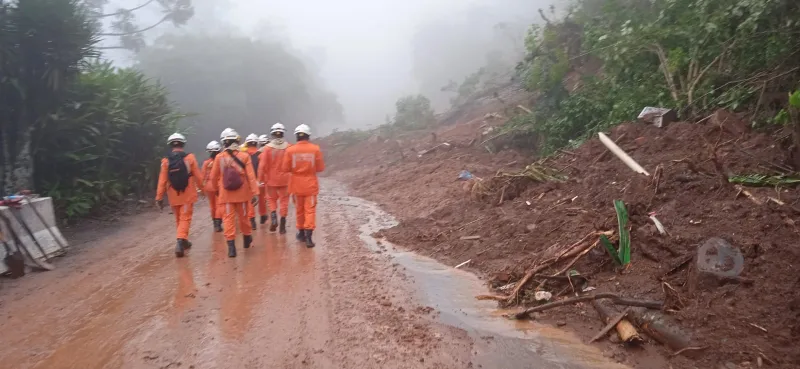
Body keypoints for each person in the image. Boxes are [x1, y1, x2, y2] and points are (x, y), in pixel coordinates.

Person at [210, 128, 259, 257]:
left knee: (228, 220)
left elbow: (213, 177)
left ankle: (231, 248)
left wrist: (216, 190)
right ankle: (247, 239)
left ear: (223, 142)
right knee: (244, 218)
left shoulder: (219, 158)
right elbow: (251, 176)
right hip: (242, 195)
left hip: (225, 195)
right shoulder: (244, 156)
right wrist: (255, 192)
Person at [156, 133, 204, 257]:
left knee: (179, 218)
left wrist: (159, 197)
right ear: (183, 144)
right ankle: (179, 241)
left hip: (173, 194)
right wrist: (203, 189)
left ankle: (184, 241)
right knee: (185, 218)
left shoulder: (165, 161)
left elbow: (162, 180)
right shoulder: (190, 158)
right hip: (187, 193)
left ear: (170, 145)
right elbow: (198, 176)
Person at [281, 124, 325, 247]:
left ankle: (300, 233)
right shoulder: (315, 149)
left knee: (299, 210)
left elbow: (285, 168)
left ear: (296, 136)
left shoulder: (290, 150)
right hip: (310, 185)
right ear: (308, 136)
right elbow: (320, 168)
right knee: (310, 211)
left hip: (295, 185)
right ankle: (309, 237)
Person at [258, 123, 291, 234]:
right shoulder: (289, 147)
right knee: (284, 201)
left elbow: (262, 166)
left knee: (271, 199)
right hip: (286, 180)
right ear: (283, 133)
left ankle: (273, 217)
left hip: (271, 180)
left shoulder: (267, 149)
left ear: (272, 134)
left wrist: (260, 180)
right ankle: (282, 225)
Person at [243, 133, 266, 229]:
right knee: (262, 199)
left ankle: (252, 220)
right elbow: (264, 168)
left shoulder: (243, 155)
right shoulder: (261, 154)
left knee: (250, 201)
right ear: (257, 143)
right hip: (260, 181)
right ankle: (262, 216)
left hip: (248, 182)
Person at [202, 141, 224, 233]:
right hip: (218, 185)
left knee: (212, 205)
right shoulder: (221, 161)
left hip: (208, 186)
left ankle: (215, 223)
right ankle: (218, 223)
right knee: (219, 204)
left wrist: (201, 189)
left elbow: (202, 176)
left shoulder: (206, 163)